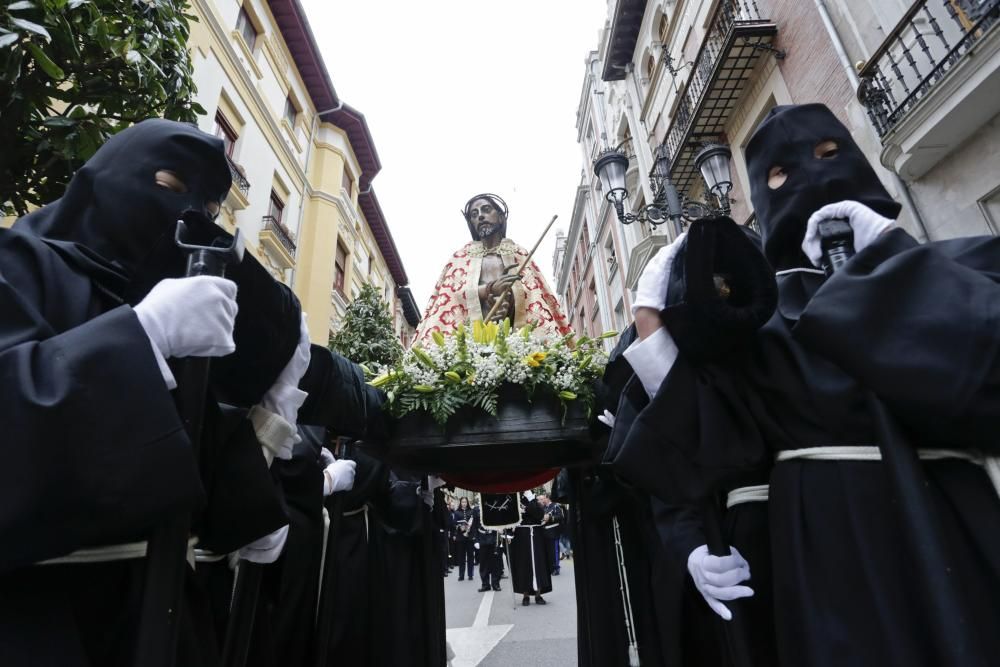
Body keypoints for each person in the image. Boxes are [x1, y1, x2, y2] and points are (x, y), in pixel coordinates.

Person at [620, 102, 1000, 667]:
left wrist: (893, 260)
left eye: (829, 154)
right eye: (779, 174)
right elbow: (714, 437)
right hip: (825, 540)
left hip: (952, 515)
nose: (814, 176)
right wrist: (651, 323)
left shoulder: (965, 263)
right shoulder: (756, 323)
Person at [0, 119, 306, 666]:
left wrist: (253, 494)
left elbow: (181, 449)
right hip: (43, 622)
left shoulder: (166, 299)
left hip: (168, 619)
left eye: (209, 212)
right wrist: (140, 337)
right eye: (168, 187)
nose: (185, 217)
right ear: (111, 177)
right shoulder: (17, 265)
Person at [412, 193, 571, 346]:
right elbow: (450, 296)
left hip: (516, 339)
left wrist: (509, 301)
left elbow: (534, 296)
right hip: (471, 341)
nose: (480, 216)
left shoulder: (519, 255)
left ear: (501, 217)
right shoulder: (460, 258)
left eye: (486, 210)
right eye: (474, 214)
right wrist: (490, 289)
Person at [510, 490, 552, 605]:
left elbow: (539, 514)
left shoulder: (534, 500)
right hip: (522, 536)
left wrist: (531, 500)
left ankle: (538, 594)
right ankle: (525, 595)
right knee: (524, 564)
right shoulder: (516, 500)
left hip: (537, 535)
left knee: (539, 564)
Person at [450, 496, 477, 581]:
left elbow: (474, 524)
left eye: (465, 502)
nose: (464, 503)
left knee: (470, 556)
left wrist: (471, 531)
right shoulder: (457, 512)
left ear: (467, 503)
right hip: (460, 537)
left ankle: (470, 575)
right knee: (461, 557)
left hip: (469, 537)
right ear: (460, 503)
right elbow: (454, 523)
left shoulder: (471, 511)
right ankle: (461, 575)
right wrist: (459, 527)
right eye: (462, 502)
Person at [538, 493, 564, 575]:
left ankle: (556, 568)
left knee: (554, 551)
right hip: (544, 532)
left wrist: (550, 518)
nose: (543, 500)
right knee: (548, 551)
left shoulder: (556, 506)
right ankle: (550, 567)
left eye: (544, 498)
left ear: (548, 498)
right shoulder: (543, 507)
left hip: (553, 532)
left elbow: (561, 516)